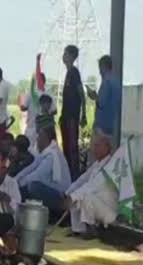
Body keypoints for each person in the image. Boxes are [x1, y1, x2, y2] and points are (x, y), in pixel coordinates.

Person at [64, 132, 116, 237]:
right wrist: (68, 193)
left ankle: (92, 229)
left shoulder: (110, 166)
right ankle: (78, 230)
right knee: (76, 195)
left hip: (109, 211)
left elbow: (91, 187)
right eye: (94, 146)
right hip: (99, 205)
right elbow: (82, 179)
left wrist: (72, 196)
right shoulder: (97, 164)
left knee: (85, 196)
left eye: (97, 146)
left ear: (106, 148)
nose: (94, 149)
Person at [15, 125, 72, 217]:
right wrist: (15, 180)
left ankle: (59, 211)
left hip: (61, 195)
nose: (37, 139)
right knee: (24, 185)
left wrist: (19, 184)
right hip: (50, 190)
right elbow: (30, 168)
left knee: (33, 187)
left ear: (46, 138)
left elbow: (36, 176)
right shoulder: (46, 153)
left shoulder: (52, 155)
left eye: (39, 136)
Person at [60, 45, 87, 180]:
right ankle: (68, 175)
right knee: (66, 146)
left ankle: (74, 175)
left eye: (65, 54)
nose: (63, 56)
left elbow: (82, 94)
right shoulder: (68, 73)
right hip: (65, 116)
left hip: (72, 116)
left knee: (71, 147)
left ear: (71, 56)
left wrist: (83, 114)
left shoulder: (74, 73)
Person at [86, 55, 121, 145]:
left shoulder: (106, 82)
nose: (99, 72)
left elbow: (101, 102)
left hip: (100, 127)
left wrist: (93, 95)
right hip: (110, 127)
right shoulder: (117, 83)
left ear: (103, 66)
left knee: (95, 155)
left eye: (100, 68)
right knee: (108, 157)